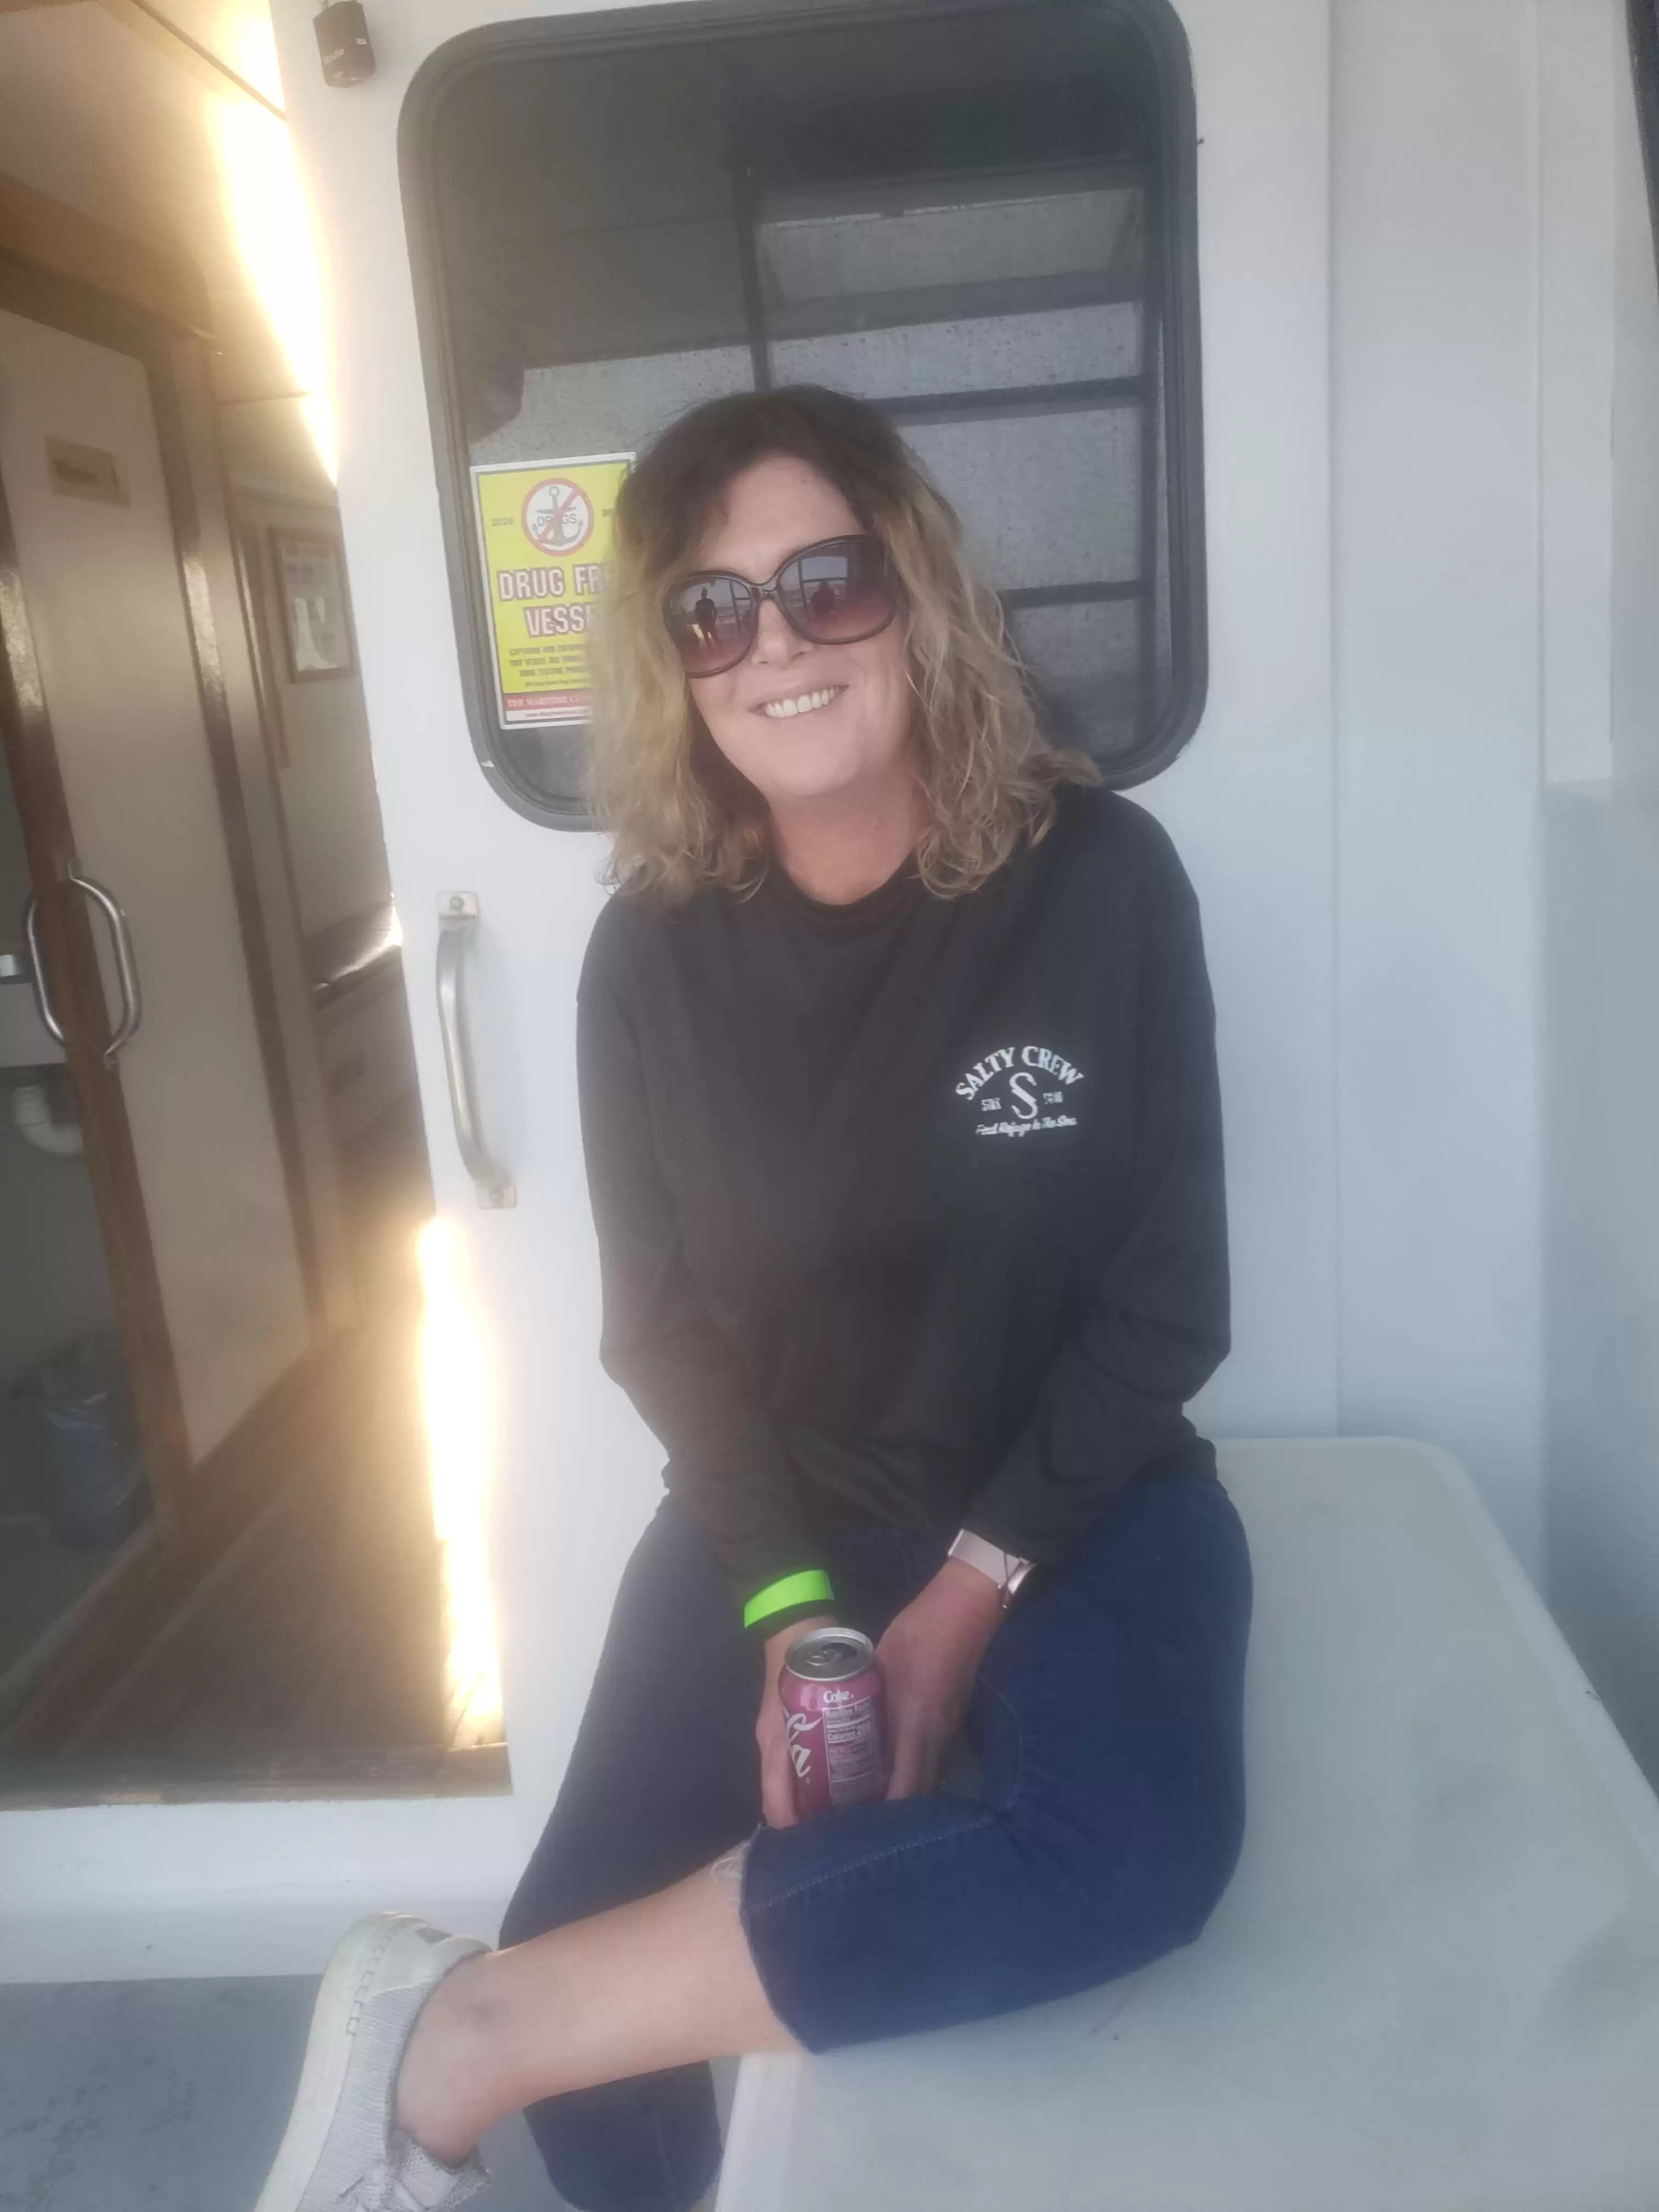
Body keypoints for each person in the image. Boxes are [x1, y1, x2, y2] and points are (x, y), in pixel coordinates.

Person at [252, 386, 1253, 2212]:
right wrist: (794, 1613)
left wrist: (962, 1601)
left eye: (825, 583)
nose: (774, 643)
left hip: (1086, 1504)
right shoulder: (647, 953)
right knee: (594, 1974)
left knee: (1136, 1855)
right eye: (711, 611)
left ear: (917, 594)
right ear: (677, 668)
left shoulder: (1106, 882)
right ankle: (537, 2044)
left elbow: (1172, 1303)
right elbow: (661, 1331)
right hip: (787, 1511)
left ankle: (463, 2035)